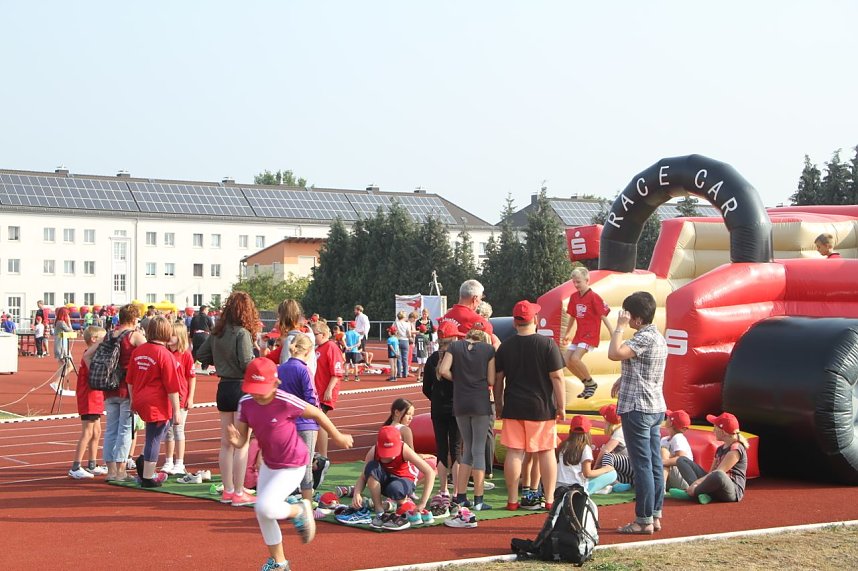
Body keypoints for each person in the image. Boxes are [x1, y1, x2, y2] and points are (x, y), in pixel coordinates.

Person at [226, 358, 354, 571]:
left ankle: (300, 510)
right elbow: (242, 440)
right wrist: (235, 440)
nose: (257, 394)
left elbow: (317, 413)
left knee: (264, 505)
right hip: (270, 463)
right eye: (253, 388)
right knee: (263, 512)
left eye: (262, 389)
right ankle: (279, 563)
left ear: (275, 384)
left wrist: (338, 436)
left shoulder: (286, 400)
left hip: (294, 463)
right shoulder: (246, 403)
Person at [494, 300, 566, 511]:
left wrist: (499, 404)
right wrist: (561, 405)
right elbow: (558, 377)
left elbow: (499, 379)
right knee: (546, 452)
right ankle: (549, 499)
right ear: (534, 320)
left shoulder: (505, 346)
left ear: (515, 323)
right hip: (541, 407)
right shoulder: (547, 345)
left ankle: (513, 499)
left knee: (514, 452)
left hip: (514, 406)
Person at [608, 291, 667, 535]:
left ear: (638, 319)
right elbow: (644, 367)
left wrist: (619, 328)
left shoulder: (642, 337)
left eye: (628, 315)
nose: (626, 318)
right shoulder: (658, 336)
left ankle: (642, 520)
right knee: (654, 462)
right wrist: (625, 377)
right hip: (654, 406)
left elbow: (614, 353)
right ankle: (654, 515)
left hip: (637, 408)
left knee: (642, 465)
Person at [197, 291, 260, 506]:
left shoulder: (217, 332)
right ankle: (239, 492)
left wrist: (220, 361)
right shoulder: (242, 333)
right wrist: (257, 357)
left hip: (223, 387)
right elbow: (246, 363)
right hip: (242, 388)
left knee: (226, 443)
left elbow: (201, 355)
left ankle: (228, 490)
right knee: (241, 443)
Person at [438, 327, 496, 511]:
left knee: (467, 449)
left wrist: (459, 378)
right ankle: (478, 499)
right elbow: (492, 379)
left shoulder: (455, 346)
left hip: (461, 401)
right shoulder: (488, 350)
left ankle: (461, 495)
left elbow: (443, 369)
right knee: (478, 449)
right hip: (480, 401)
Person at [345, 426, 436, 531]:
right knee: (371, 467)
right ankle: (379, 511)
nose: (389, 457)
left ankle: (402, 502)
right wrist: (357, 493)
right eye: (385, 452)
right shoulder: (373, 451)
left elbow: (429, 472)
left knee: (395, 489)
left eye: (392, 452)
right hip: (384, 480)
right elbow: (363, 477)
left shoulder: (404, 449)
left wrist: (423, 503)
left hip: (403, 480)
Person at [127, 316, 181, 488]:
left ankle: (144, 461)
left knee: (154, 434)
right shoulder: (164, 354)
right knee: (155, 436)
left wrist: (132, 400)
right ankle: (148, 475)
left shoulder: (139, 351)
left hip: (140, 397)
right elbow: (172, 385)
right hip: (157, 400)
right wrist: (177, 411)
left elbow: (130, 379)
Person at [103, 304, 147, 482]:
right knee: (125, 430)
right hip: (127, 388)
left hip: (109, 387)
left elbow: (89, 356)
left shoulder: (108, 335)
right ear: (134, 318)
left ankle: (111, 470)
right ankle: (121, 470)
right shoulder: (134, 336)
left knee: (110, 429)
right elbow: (150, 352)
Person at [276, 334, 320, 505]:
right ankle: (307, 504)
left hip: (287, 423)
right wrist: (317, 417)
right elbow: (311, 397)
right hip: (306, 423)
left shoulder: (281, 369)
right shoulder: (304, 370)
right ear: (308, 351)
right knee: (306, 465)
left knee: (287, 463)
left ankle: (283, 499)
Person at [421, 321, 464, 498]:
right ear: (453, 338)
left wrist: (436, 399)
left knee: (441, 448)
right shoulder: (457, 357)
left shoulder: (432, 360)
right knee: (456, 449)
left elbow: (425, 388)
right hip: (456, 408)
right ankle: (456, 491)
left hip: (437, 409)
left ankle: (443, 489)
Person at [669, 412, 748, 504]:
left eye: (715, 428)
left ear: (723, 431)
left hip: (732, 491)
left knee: (719, 474)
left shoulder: (736, 448)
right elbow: (711, 472)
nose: (713, 431)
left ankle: (692, 493)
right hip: (715, 484)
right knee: (682, 460)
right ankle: (702, 493)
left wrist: (696, 483)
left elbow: (719, 471)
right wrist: (700, 482)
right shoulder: (720, 449)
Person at [560, 267, 612, 400]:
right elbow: (572, 316)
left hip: (590, 335)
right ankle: (587, 383)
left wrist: (613, 333)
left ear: (587, 280)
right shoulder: (574, 297)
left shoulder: (594, 297)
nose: (576, 285)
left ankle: (591, 382)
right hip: (579, 335)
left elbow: (603, 316)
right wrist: (567, 333)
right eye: (574, 282)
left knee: (575, 358)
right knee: (566, 361)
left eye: (578, 282)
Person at [68, 326, 108, 479]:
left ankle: (92, 464)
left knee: (97, 431)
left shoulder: (95, 355)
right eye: (102, 339)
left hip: (96, 397)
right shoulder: (89, 355)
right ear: (94, 340)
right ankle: (76, 466)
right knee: (88, 431)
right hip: (89, 397)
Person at [162, 322, 197, 475]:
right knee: (167, 431)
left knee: (178, 430)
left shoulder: (186, 355)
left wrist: (190, 397)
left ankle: (179, 462)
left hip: (181, 397)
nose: (170, 337)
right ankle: (168, 461)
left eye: (173, 334)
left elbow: (191, 377)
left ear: (181, 336)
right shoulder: (164, 352)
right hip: (166, 397)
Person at [557, 415, 618, 494]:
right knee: (612, 474)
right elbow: (587, 473)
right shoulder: (584, 448)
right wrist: (605, 469)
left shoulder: (563, 445)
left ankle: (600, 489)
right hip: (576, 488)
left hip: (559, 486)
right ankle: (593, 490)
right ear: (588, 432)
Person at [311, 321, 344, 461]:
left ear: (323, 334)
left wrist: (329, 389)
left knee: (319, 420)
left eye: (315, 334)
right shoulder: (318, 348)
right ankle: (320, 454)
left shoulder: (331, 347)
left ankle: (323, 455)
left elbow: (337, 371)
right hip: (316, 390)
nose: (312, 337)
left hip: (325, 390)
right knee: (319, 421)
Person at [594, 403, 634, 487]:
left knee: (608, 456)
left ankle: (614, 483)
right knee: (611, 473)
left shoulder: (620, 431)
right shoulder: (621, 429)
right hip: (630, 471)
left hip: (633, 465)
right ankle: (621, 483)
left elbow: (606, 450)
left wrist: (596, 466)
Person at [661, 409, 693, 491]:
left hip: (683, 477)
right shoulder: (665, 439)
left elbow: (681, 458)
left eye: (668, 418)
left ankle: (661, 486)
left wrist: (662, 461)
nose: (666, 419)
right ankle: (660, 484)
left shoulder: (678, 437)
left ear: (671, 423)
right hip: (673, 477)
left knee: (664, 451)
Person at [393, 311, 412, 379]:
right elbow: (409, 333)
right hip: (405, 340)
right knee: (405, 358)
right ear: (404, 317)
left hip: (397, 340)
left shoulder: (396, 323)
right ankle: (405, 373)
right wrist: (410, 338)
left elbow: (393, 331)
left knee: (398, 358)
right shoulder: (407, 324)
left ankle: (399, 373)